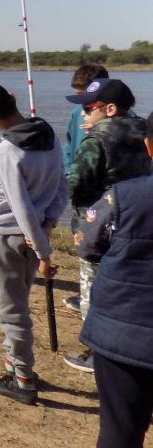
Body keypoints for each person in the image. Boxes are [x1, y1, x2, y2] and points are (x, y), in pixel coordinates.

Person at [0, 83, 68, 406]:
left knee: (11, 311)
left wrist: (43, 252)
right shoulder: (47, 133)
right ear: (12, 99)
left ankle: (23, 380)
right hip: (32, 232)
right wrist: (49, 224)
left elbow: (20, 204)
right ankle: (14, 365)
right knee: (18, 303)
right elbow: (61, 185)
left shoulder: (6, 151)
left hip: (9, 236)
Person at [61, 78, 149, 373]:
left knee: (93, 289)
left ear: (109, 108)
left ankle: (96, 353)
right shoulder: (144, 133)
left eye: (88, 108)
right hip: (138, 221)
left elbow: (74, 184)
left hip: (98, 223)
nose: (83, 115)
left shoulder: (96, 140)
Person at [78, 111, 153, 448]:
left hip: (122, 334)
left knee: (120, 430)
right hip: (125, 332)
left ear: (149, 146)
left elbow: (90, 245)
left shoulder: (123, 196)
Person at [61, 64, 109, 313]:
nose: (81, 102)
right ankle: (85, 295)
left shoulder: (118, 116)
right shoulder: (76, 114)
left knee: (102, 251)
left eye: (85, 96)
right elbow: (69, 147)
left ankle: (98, 303)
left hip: (105, 197)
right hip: (80, 192)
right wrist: (68, 174)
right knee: (82, 245)